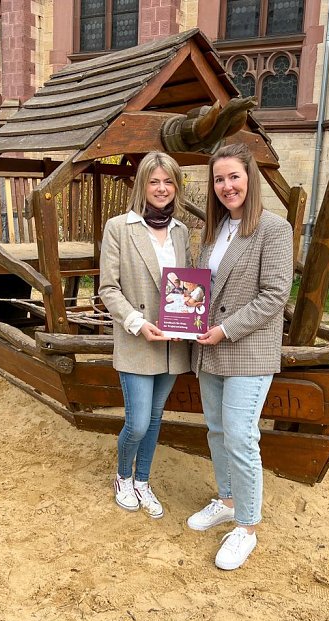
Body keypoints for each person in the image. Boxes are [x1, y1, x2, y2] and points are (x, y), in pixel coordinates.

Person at [188, 143, 294, 570]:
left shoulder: (274, 228)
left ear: (250, 178)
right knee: (216, 430)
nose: (226, 185)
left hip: (246, 348)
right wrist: (188, 316)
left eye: (233, 176)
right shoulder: (214, 232)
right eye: (219, 179)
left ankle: (246, 527)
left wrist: (226, 329)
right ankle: (228, 500)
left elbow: (274, 295)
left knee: (240, 433)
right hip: (208, 348)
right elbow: (200, 288)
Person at [99, 152, 192, 519]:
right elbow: (108, 288)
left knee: (155, 419)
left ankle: (142, 480)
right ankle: (123, 476)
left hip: (172, 343)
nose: (162, 188)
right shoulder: (119, 227)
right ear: (142, 185)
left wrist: (190, 316)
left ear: (176, 187)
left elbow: (185, 286)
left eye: (168, 182)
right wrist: (136, 322)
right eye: (154, 181)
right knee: (137, 422)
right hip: (138, 338)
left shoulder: (182, 232)